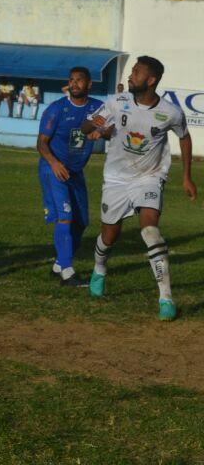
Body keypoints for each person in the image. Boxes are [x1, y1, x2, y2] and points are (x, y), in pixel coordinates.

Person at [82, 56, 196, 320]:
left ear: (151, 80)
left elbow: (185, 138)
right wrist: (94, 125)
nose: (131, 76)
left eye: (136, 72)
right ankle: (99, 268)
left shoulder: (170, 112)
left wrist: (187, 177)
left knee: (150, 230)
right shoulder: (116, 102)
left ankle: (165, 298)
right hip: (116, 179)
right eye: (132, 71)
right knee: (109, 236)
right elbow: (86, 124)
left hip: (150, 177)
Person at [37, 66, 104, 287]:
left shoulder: (96, 107)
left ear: (89, 84)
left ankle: (59, 264)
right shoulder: (56, 109)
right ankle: (67, 271)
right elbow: (41, 143)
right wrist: (54, 163)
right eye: (71, 80)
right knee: (65, 216)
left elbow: (111, 130)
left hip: (75, 171)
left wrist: (101, 132)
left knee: (82, 222)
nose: (74, 84)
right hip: (53, 168)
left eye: (80, 80)